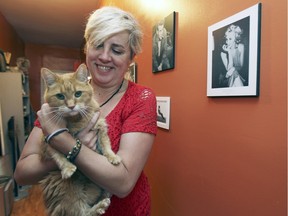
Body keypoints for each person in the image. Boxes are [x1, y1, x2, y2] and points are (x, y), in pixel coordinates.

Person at [14, 6, 157, 216]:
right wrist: (59, 153)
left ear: (131, 57)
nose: (105, 56)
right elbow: (21, 174)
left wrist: (66, 143)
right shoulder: (60, 98)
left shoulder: (141, 98)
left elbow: (123, 183)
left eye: (117, 50)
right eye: (98, 45)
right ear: (87, 48)